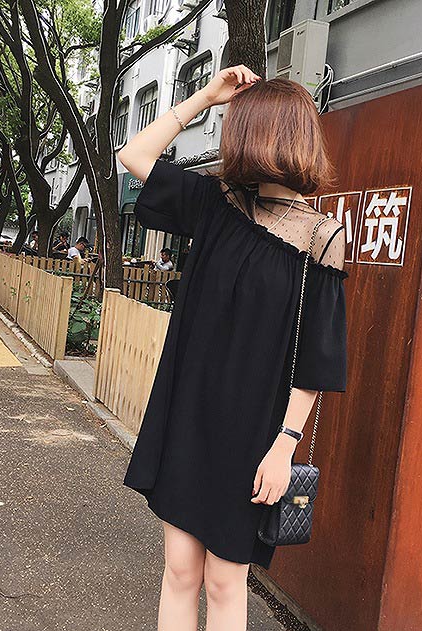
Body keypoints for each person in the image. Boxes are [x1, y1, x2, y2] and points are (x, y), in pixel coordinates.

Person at [117, 66, 348, 631]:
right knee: (179, 573)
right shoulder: (216, 203)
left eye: (237, 123)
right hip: (188, 417)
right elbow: (133, 156)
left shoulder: (321, 237)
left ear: (267, 134)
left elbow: (317, 359)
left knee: (225, 582)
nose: (230, 134)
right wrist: (205, 96)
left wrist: (284, 445)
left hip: (254, 437)